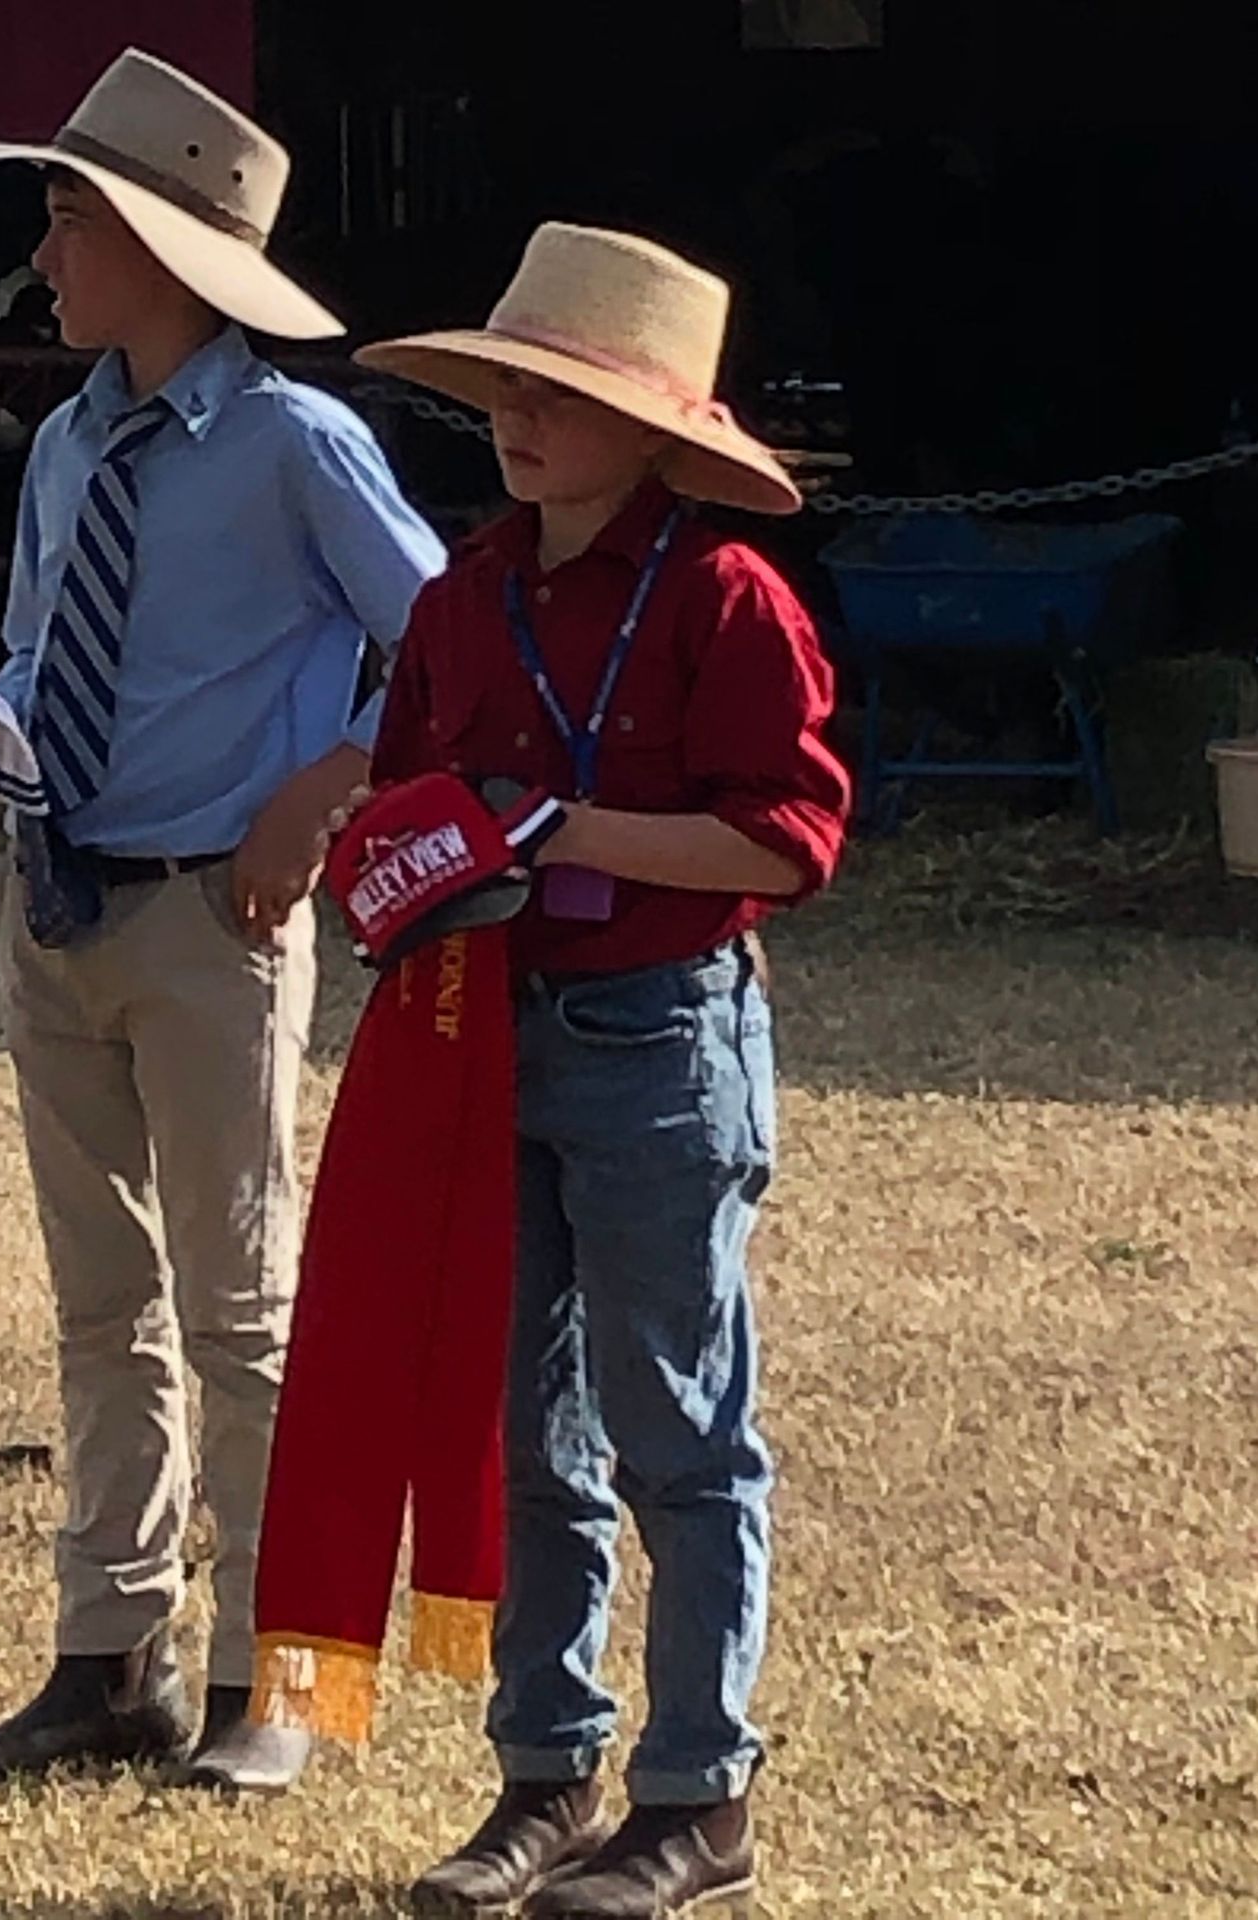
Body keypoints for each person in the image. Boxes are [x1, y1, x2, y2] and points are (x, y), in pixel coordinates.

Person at [0, 47, 445, 1793]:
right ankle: (105, 1654)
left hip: (213, 913)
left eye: (68, 222)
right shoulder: (70, 443)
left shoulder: (298, 444)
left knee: (240, 1308)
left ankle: (275, 1679)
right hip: (57, 898)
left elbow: (453, 659)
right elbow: (39, 649)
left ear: (153, 246)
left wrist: (324, 791)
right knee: (99, 1301)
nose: (47, 258)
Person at [353, 223, 850, 1917]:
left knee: (681, 1430)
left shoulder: (726, 598)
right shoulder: (460, 596)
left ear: (663, 433)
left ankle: (701, 1794)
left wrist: (558, 825)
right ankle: (545, 1775)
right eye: (505, 385)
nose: (518, 417)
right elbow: (412, 804)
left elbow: (786, 845)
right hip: (484, 1026)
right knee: (525, 1428)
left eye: (558, 393)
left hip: (655, 1035)